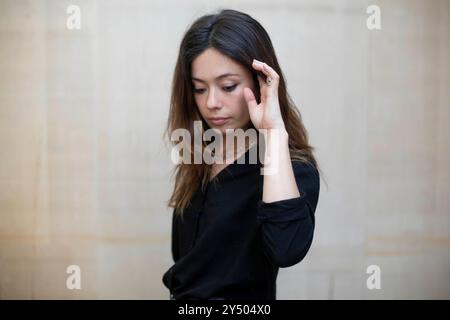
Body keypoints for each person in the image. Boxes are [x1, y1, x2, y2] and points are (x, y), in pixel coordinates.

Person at [162, 9, 320, 300]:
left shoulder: (292, 168)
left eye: (228, 86)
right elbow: (183, 259)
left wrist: (273, 134)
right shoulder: (199, 157)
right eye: (199, 89)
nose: (211, 102)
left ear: (260, 82)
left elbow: (287, 249)